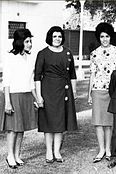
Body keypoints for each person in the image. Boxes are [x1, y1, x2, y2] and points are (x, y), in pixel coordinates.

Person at [34, 26, 77, 163]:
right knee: (49, 122)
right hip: (48, 91)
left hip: (64, 90)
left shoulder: (68, 52)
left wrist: (74, 92)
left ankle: (57, 151)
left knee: (60, 122)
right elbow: (37, 76)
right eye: (54, 36)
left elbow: (72, 75)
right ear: (50, 37)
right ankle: (48, 152)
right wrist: (39, 96)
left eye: (59, 36)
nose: (57, 39)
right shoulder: (43, 53)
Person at [88, 22, 116, 163]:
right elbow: (92, 74)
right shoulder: (94, 54)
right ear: (99, 37)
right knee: (98, 122)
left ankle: (109, 150)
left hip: (112, 92)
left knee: (109, 123)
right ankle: (101, 150)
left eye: (107, 36)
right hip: (97, 90)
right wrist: (89, 93)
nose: (104, 39)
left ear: (111, 37)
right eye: (102, 36)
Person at [1, 29, 38, 169]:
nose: (29, 44)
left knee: (21, 128)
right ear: (19, 42)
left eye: (30, 41)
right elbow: (6, 82)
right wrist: (8, 102)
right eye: (27, 41)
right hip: (13, 96)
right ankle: (10, 156)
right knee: (12, 129)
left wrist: (36, 98)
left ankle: (17, 155)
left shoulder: (30, 58)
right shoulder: (10, 57)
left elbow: (31, 82)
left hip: (26, 96)